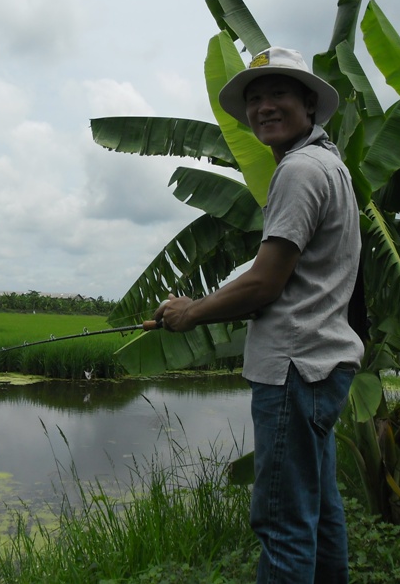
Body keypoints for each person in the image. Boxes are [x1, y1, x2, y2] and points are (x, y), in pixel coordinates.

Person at [154, 46, 363, 584]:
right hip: (323, 364)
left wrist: (192, 311)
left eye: (279, 93)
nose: (264, 106)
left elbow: (266, 281)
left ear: (309, 105)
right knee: (321, 511)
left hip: (294, 368)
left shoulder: (298, 171)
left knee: (284, 523)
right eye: (254, 98)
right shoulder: (330, 165)